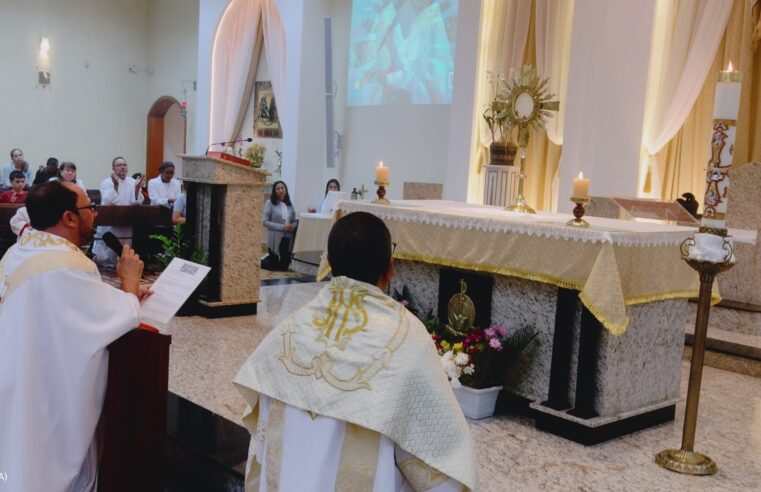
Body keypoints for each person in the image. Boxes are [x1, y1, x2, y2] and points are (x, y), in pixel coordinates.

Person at [235, 211, 476, 491]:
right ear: (390, 268)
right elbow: (438, 468)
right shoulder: (406, 340)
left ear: (330, 262)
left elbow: (262, 440)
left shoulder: (290, 330)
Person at [0, 180, 151, 492]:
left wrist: (123, 293)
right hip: (41, 396)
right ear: (69, 218)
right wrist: (129, 282)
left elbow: (64, 307)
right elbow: (111, 319)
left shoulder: (21, 250)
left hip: (15, 379)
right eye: (89, 208)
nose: (94, 215)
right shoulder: (68, 265)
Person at [92, 156, 144, 267]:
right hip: (111, 221)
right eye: (119, 165)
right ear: (113, 168)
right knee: (109, 253)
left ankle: (124, 264)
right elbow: (107, 201)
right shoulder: (106, 182)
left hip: (127, 221)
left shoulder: (133, 182)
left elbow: (136, 202)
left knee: (126, 246)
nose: (122, 167)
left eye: (124, 165)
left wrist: (136, 189)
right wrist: (115, 186)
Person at [261, 180, 296, 271]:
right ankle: (261, 261)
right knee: (274, 266)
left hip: (287, 237)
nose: (280, 190)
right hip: (275, 236)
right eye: (278, 189)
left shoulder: (289, 204)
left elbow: (294, 221)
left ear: (285, 190)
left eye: (282, 188)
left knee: (284, 267)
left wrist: (291, 226)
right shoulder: (270, 203)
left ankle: (271, 259)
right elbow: (264, 221)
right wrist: (282, 227)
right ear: (274, 191)